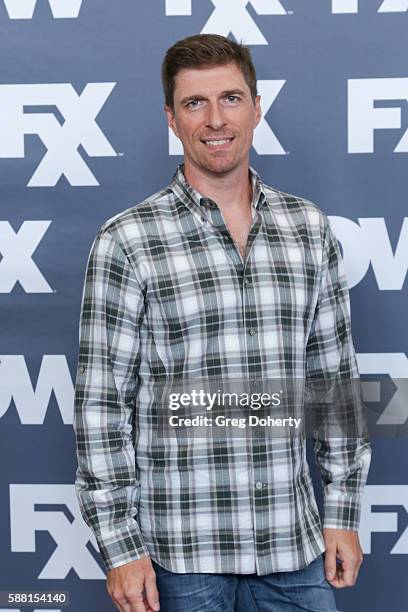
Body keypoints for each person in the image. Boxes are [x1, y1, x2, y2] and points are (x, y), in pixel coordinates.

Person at [73, 33, 371, 612]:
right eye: (195, 103)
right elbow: (100, 405)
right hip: (181, 559)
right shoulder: (127, 240)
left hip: (295, 547)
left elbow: (335, 383)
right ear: (171, 118)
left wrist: (343, 511)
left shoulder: (309, 228)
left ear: (257, 107)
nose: (216, 119)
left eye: (231, 99)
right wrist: (119, 544)